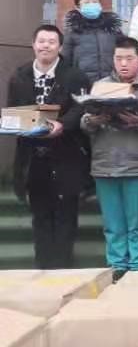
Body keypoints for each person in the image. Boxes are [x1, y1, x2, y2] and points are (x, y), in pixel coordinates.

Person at [81, 36, 138, 280]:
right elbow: (84, 122)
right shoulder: (101, 85)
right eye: (118, 58)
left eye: (129, 58)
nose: (123, 63)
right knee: (113, 223)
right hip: (105, 164)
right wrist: (93, 120)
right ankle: (117, 266)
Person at [7, 25, 91, 268]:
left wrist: (62, 124)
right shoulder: (19, 76)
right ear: (33, 44)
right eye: (41, 41)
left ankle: (63, 267)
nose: (46, 46)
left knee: (66, 216)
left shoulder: (75, 76)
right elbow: (13, 111)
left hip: (66, 154)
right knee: (40, 216)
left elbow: (82, 107)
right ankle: (43, 267)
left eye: (51, 42)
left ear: (60, 47)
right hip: (33, 157)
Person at [62, 0, 124, 83]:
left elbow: (124, 52)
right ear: (77, 7)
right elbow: (65, 61)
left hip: (111, 82)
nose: (92, 4)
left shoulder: (112, 29)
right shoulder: (73, 31)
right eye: (87, 2)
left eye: (95, 2)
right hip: (83, 83)